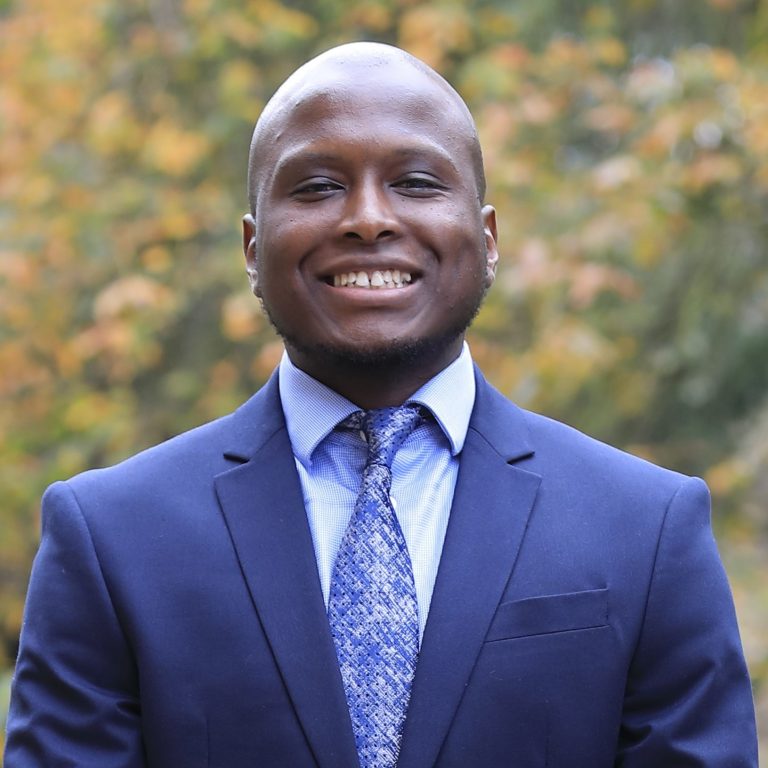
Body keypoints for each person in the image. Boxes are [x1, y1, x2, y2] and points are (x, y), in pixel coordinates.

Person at [4, 42, 758, 768]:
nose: (367, 217)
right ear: (250, 246)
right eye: (317, 187)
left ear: (488, 239)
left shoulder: (648, 529)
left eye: (418, 183)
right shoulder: (109, 540)